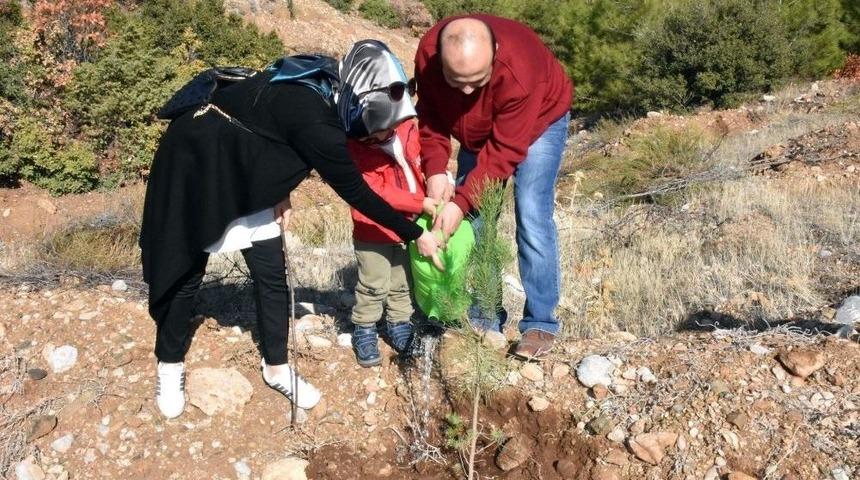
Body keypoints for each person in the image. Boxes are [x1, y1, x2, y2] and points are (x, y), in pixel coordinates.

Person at [140, 55, 441, 419]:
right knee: (187, 270)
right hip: (201, 163)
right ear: (360, 107)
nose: (382, 138)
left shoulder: (328, 80)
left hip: (249, 170)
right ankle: (169, 364)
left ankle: (277, 367)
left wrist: (278, 186)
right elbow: (359, 193)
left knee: (271, 276)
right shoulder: (318, 124)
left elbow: (269, 128)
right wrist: (414, 235)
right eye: (378, 131)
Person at [414, 14, 574, 359]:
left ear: (495, 53)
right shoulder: (428, 54)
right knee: (476, 222)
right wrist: (436, 169)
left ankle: (540, 323)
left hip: (539, 120)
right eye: (458, 82)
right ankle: (485, 315)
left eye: (477, 81)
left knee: (531, 210)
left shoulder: (520, 68)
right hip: (476, 131)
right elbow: (429, 114)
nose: (468, 92)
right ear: (440, 60)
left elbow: (505, 151)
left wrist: (460, 199)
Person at [336, 40, 441, 367]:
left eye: (382, 133)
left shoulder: (407, 125)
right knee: (373, 282)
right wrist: (419, 201)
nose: (377, 140)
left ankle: (399, 324)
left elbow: (424, 160)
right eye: (369, 137)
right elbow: (374, 193)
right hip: (373, 229)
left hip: (409, 225)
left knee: (402, 282)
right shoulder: (355, 147)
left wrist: (441, 182)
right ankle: (364, 328)